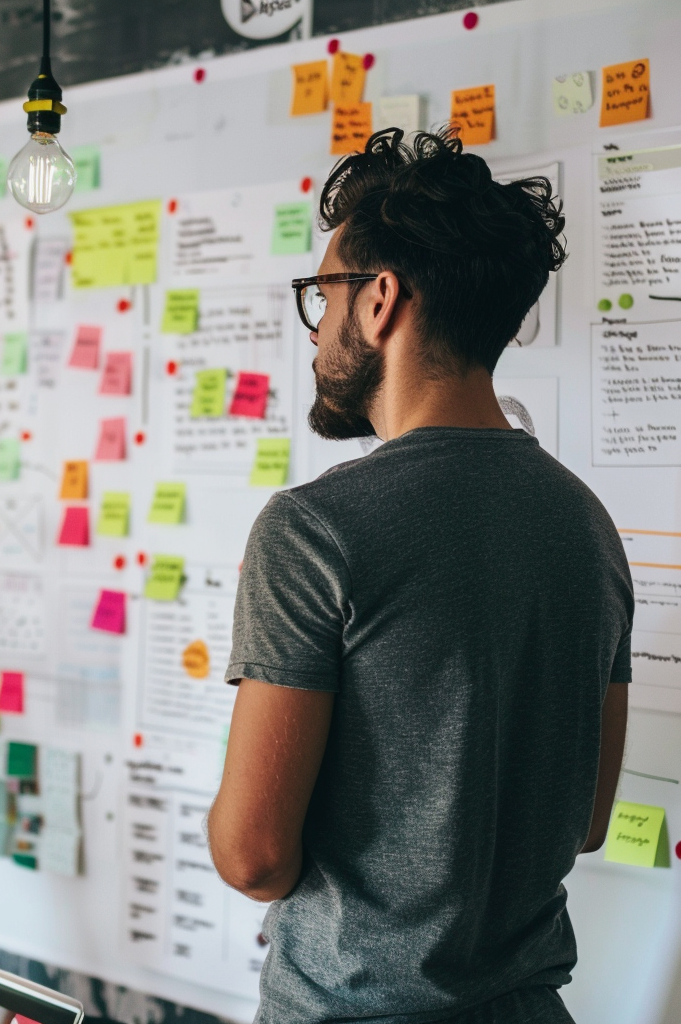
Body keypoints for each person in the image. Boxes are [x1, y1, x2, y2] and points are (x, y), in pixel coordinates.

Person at [207, 128, 633, 1024]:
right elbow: (587, 822)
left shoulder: (314, 530)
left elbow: (252, 858)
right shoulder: (585, 524)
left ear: (380, 301)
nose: (318, 326)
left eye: (324, 294)